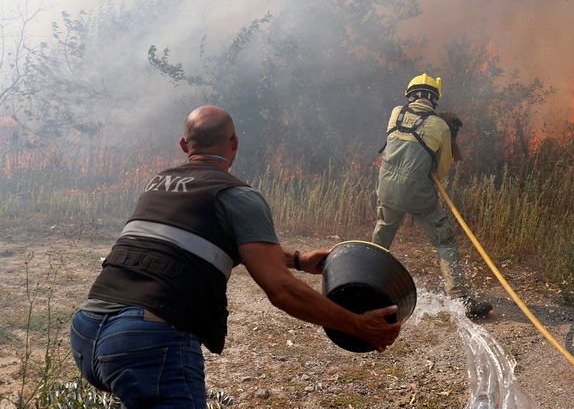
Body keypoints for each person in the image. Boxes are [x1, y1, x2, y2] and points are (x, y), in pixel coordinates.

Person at [70, 105, 401, 409]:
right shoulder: (238, 195)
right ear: (234, 144)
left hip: (87, 330)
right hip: (147, 341)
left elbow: (191, 242)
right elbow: (281, 291)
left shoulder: (159, 183)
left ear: (184, 146)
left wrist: (298, 260)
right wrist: (358, 325)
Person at [371, 73, 493, 318]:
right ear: (434, 99)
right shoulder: (440, 126)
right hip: (418, 193)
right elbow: (441, 169)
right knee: (444, 241)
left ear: (410, 94)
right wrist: (448, 133)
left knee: (382, 236)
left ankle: (366, 281)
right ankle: (459, 299)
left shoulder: (396, 113)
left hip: (386, 188)